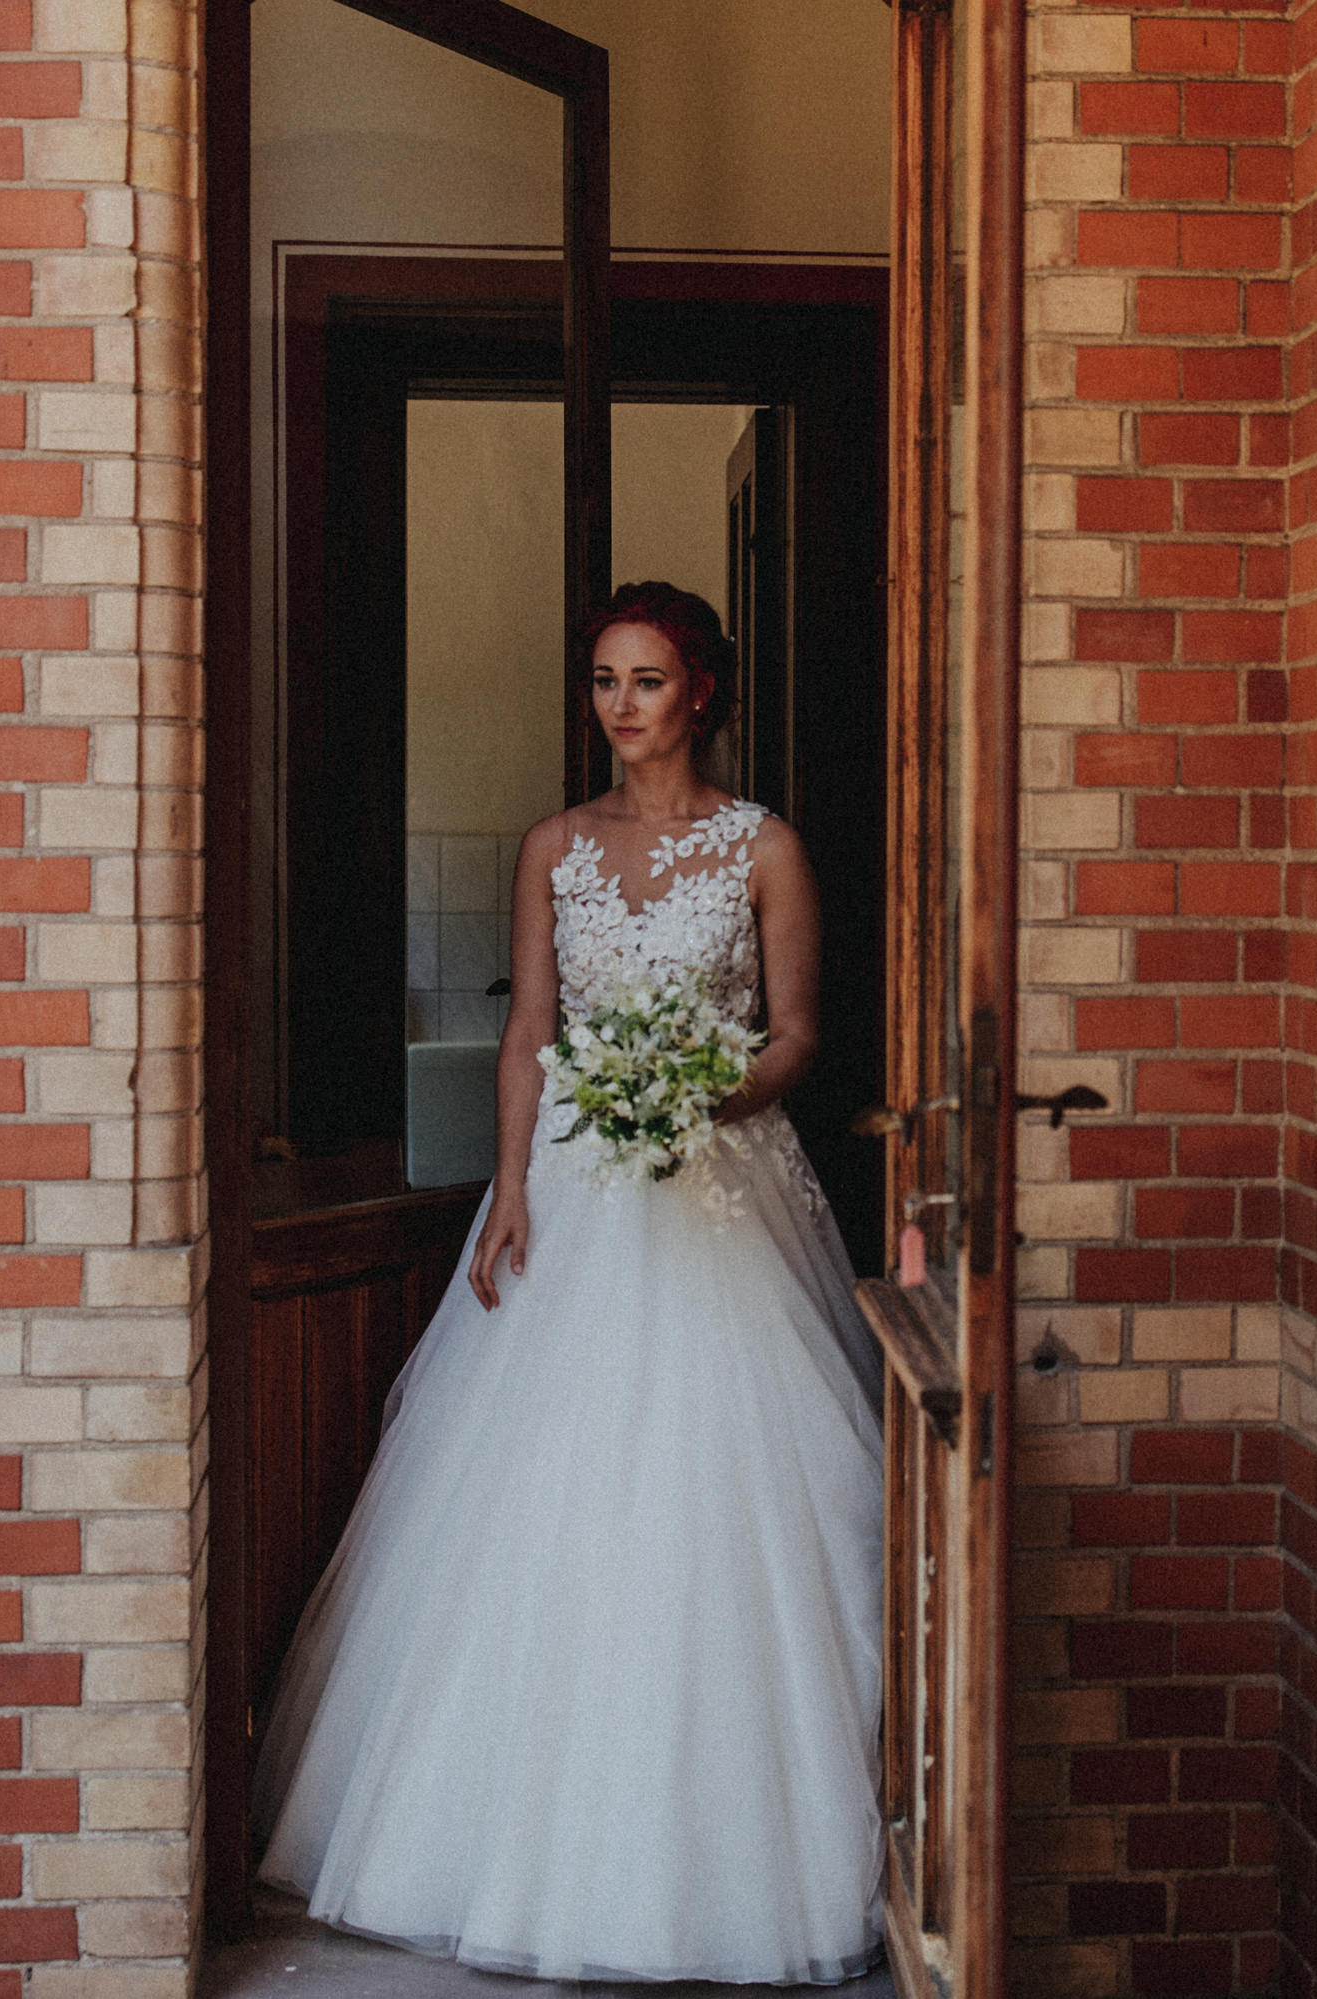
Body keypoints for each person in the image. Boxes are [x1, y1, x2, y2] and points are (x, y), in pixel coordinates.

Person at [253, 582, 886, 1981]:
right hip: (585, 1189)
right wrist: (515, 1190)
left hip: (721, 1192)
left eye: (647, 680)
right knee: (538, 1493)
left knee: (730, 1491)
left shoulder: (764, 848)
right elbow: (531, 1031)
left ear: (700, 693)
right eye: (604, 679)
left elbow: (794, 1039)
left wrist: (704, 1093)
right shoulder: (554, 848)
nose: (621, 705)